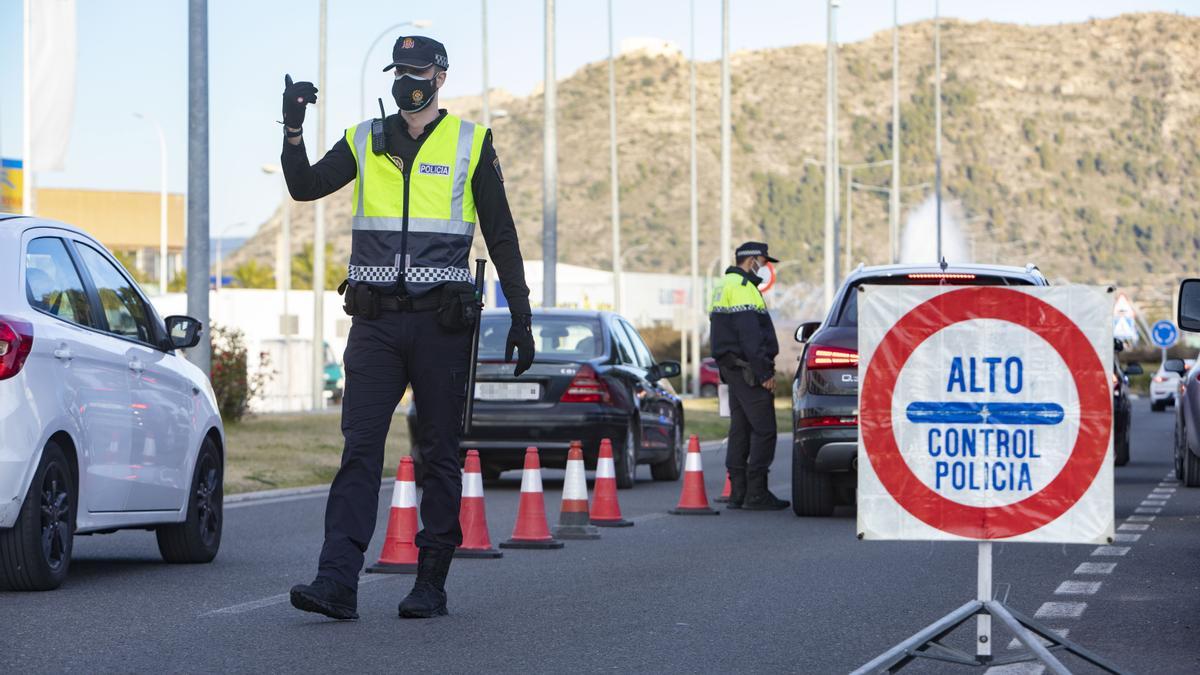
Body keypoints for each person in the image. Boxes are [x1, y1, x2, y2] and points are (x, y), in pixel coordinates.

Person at [281, 35, 535, 620]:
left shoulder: (471, 143)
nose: (408, 79)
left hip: (442, 326)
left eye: (418, 70)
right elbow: (304, 186)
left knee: (439, 452)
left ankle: (430, 582)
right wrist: (293, 129)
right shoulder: (365, 138)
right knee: (359, 450)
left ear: (440, 76)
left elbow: (502, 234)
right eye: (400, 70)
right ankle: (336, 582)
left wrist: (520, 316)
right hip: (374, 323)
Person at [708, 242, 789, 511]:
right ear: (752, 260)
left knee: (740, 429)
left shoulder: (723, 285)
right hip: (748, 369)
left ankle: (738, 492)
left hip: (732, 368)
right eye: (763, 262)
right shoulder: (743, 289)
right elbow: (750, 336)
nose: (765, 268)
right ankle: (756, 493)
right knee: (765, 430)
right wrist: (764, 372)